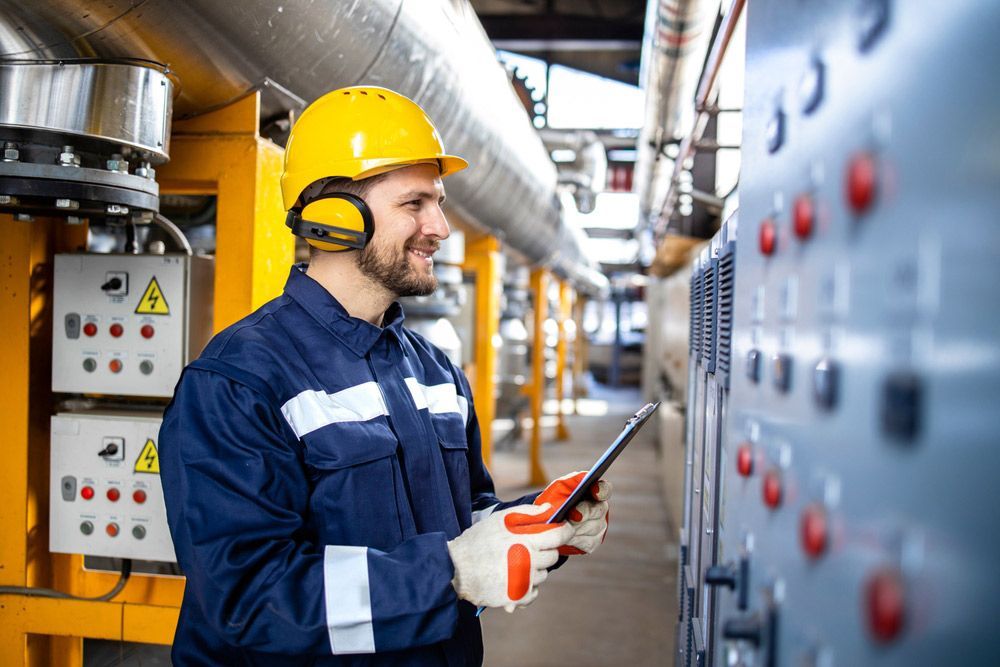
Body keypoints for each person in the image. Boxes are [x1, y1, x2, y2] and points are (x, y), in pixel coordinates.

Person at [159, 86, 611, 666]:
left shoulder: (435, 371)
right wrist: (450, 576)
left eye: (439, 202)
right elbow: (248, 600)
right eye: (415, 203)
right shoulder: (239, 381)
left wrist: (533, 522)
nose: (441, 227)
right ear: (333, 217)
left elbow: (460, 516)